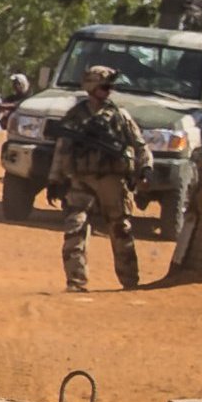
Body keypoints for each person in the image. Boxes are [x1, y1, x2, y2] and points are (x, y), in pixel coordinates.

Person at [46, 63, 150, 293]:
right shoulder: (75, 116)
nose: (108, 90)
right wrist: (54, 180)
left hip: (113, 181)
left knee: (120, 229)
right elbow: (62, 148)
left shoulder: (119, 115)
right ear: (91, 87)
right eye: (104, 86)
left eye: (109, 87)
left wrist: (145, 168)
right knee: (75, 228)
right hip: (81, 180)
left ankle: (130, 281)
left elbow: (139, 144)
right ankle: (76, 281)